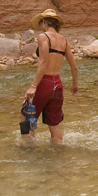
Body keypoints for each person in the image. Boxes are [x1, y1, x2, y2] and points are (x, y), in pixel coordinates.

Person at [23, 9, 78, 144]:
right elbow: (74, 67)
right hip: (57, 85)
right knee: (54, 124)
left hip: (45, 83)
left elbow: (43, 63)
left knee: (27, 117)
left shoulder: (44, 36)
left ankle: (27, 151)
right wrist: (75, 84)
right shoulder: (64, 41)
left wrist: (33, 86)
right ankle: (57, 154)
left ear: (43, 22)